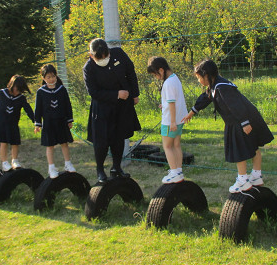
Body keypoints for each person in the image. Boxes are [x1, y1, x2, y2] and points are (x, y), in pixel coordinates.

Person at [182, 59, 273, 193]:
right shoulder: (215, 86)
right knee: (252, 147)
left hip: (241, 120)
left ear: (206, 75)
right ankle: (256, 177)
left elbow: (236, 105)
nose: (198, 80)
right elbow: (205, 98)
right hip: (243, 119)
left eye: (199, 77)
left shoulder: (222, 87)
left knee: (239, 151)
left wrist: (244, 123)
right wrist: (192, 112)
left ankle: (243, 181)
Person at [83, 38, 141, 183]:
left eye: (106, 56)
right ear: (91, 55)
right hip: (102, 108)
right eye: (100, 58)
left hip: (122, 105)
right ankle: (100, 170)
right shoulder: (88, 68)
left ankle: (116, 167)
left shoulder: (119, 54)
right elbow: (93, 92)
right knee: (101, 141)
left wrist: (134, 94)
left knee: (119, 137)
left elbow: (130, 72)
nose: (104, 59)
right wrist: (116, 94)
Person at [0, 75, 35, 172]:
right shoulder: (1, 92)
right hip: (1, 122)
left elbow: (28, 110)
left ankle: (15, 160)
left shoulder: (21, 98)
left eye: (20, 90)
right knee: (4, 142)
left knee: (15, 142)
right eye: (17, 89)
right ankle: (4, 162)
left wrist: (36, 121)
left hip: (13, 123)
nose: (17, 92)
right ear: (12, 85)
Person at [147, 56, 189, 184]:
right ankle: (178, 171)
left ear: (161, 70)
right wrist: (164, 105)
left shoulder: (168, 83)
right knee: (176, 145)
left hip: (170, 121)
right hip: (180, 119)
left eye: (155, 74)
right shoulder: (175, 78)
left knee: (167, 146)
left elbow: (171, 103)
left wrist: (172, 122)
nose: (156, 77)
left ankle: (174, 172)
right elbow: (172, 100)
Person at [34, 64, 76, 178]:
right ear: (43, 78)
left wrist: (69, 120)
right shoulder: (41, 92)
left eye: (53, 76)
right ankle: (51, 167)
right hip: (48, 123)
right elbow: (38, 109)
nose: (51, 79)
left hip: (61, 121)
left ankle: (68, 164)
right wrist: (37, 124)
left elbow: (67, 105)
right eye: (48, 77)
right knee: (50, 146)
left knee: (64, 143)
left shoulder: (61, 89)